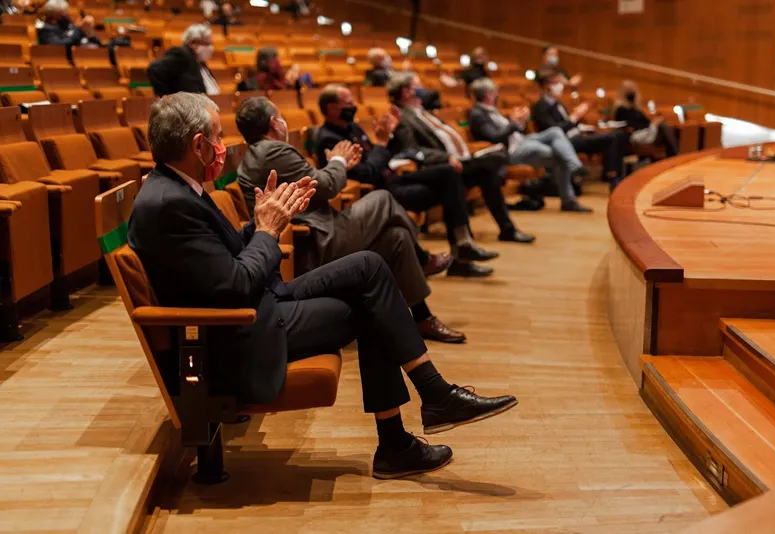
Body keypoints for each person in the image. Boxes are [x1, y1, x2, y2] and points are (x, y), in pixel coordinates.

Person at [128, 92, 518, 479]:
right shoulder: (170, 203)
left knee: (369, 266)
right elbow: (235, 285)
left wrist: (264, 221)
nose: (222, 146)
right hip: (242, 333)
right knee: (371, 305)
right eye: (216, 136)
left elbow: (219, 261)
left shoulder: (176, 188)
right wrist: (266, 231)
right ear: (197, 145)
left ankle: (430, 401)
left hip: (256, 308)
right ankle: (409, 428)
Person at [235, 96, 466, 344]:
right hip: (313, 240)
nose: (284, 122)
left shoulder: (260, 152)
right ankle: (423, 260)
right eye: (281, 116)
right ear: (274, 122)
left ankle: (422, 318)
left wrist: (338, 164)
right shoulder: (273, 150)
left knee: (396, 238)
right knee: (383, 199)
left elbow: (315, 182)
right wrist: (338, 161)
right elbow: (325, 185)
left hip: (320, 229)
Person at [315, 84, 498, 278]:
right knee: (450, 189)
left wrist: (392, 134)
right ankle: (458, 255)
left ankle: (463, 244)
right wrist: (382, 143)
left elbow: (383, 156)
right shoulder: (329, 139)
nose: (354, 105)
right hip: (377, 192)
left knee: (449, 173)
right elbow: (367, 174)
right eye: (348, 102)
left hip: (393, 177)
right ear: (332, 108)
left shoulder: (352, 127)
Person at [388, 73, 535, 244]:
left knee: (487, 171)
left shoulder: (423, 112)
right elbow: (412, 149)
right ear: (406, 92)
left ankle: (506, 230)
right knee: (489, 161)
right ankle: (465, 241)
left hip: (458, 161)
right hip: (440, 168)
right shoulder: (402, 118)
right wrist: (446, 157)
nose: (424, 90)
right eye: (418, 86)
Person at [469, 78, 592, 212]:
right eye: (495, 92)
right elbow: (495, 137)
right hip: (511, 152)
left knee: (555, 132)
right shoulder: (478, 114)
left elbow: (511, 131)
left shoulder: (492, 110)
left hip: (522, 141)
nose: (497, 94)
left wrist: (520, 121)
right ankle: (570, 195)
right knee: (560, 155)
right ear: (488, 94)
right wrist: (514, 123)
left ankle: (574, 166)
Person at [532, 67, 628, 189]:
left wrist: (582, 126)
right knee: (610, 138)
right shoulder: (540, 106)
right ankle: (612, 178)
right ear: (546, 85)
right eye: (556, 83)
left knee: (618, 135)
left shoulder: (558, 103)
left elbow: (569, 124)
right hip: (562, 142)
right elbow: (553, 130)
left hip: (574, 137)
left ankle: (614, 176)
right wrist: (575, 117)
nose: (560, 86)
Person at [147, 24, 219, 96]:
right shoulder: (183, 55)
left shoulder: (201, 62)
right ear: (192, 43)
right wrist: (168, 98)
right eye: (207, 44)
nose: (211, 48)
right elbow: (154, 68)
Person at [613, 80, 678, 158]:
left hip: (646, 132)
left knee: (664, 127)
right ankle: (675, 156)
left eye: (633, 90)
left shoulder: (636, 109)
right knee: (663, 127)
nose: (632, 93)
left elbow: (645, 121)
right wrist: (652, 124)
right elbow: (630, 125)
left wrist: (653, 122)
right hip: (636, 136)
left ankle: (672, 157)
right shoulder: (621, 109)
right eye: (629, 90)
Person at [37, 0, 102, 48]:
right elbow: (59, 45)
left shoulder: (67, 25)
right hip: (59, 61)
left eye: (65, 11)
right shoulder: (46, 29)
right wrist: (78, 29)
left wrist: (89, 32)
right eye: (61, 12)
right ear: (52, 14)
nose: (65, 14)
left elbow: (98, 43)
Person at [237, 47, 302, 92]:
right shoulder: (249, 84)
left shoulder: (282, 77)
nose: (277, 61)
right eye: (274, 58)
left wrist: (293, 84)